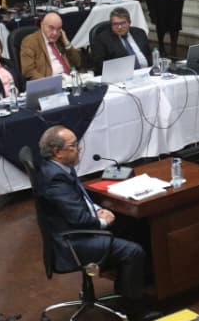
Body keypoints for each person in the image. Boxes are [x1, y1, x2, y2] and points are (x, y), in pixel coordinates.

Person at [36, 126, 146, 305]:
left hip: (72, 229)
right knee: (132, 251)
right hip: (71, 242)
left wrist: (95, 208)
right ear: (57, 152)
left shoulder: (60, 167)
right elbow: (78, 219)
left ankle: (133, 285)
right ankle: (132, 308)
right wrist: (102, 221)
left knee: (134, 226)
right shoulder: (54, 179)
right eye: (73, 145)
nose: (79, 148)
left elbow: (77, 199)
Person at [20, 11, 81, 80]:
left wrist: (66, 42)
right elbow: (28, 71)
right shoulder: (30, 41)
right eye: (51, 28)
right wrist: (49, 82)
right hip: (50, 83)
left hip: (69, 80)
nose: (55, 33)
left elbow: (77, 62)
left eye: (58, 29)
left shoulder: (60, 40)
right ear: (42, 25)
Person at [91, 6, 152, 71]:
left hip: (148, 72)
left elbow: (149, 55)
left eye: (123, 23)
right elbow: (99, 65)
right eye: (115, 24)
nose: (119, 27)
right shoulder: (103, 39)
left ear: (129, 22)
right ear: (111, 25)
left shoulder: (140, 33)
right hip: (122, 75)